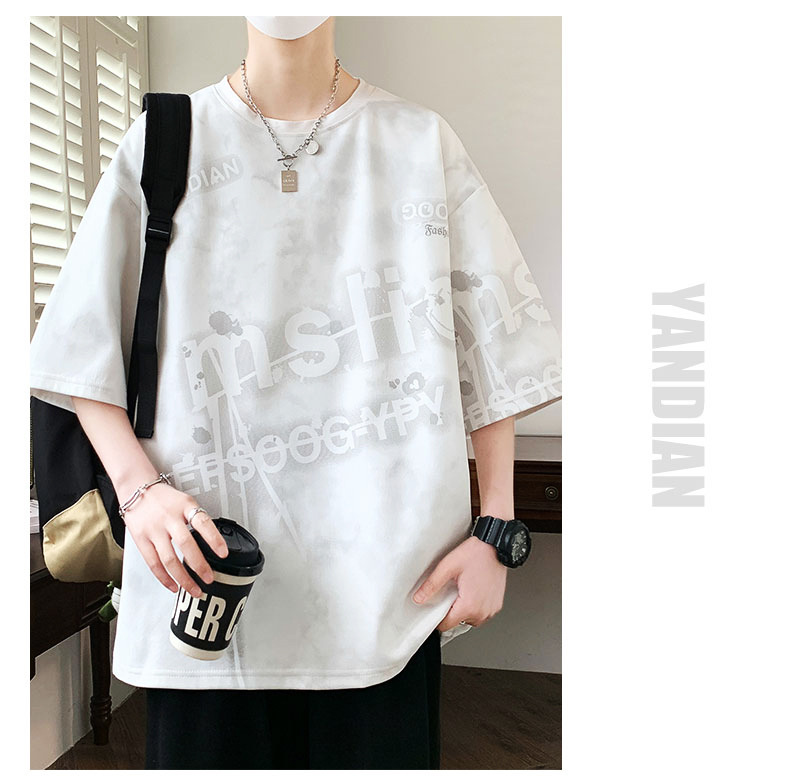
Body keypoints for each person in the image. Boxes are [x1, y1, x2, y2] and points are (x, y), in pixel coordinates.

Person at [29, 15, 562, 770]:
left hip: (388, 592)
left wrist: (496, 530)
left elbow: (494, 341)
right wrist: (138, 492)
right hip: (207, 582)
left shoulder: (418, 142)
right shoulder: (165, 140)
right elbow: (78, 349)